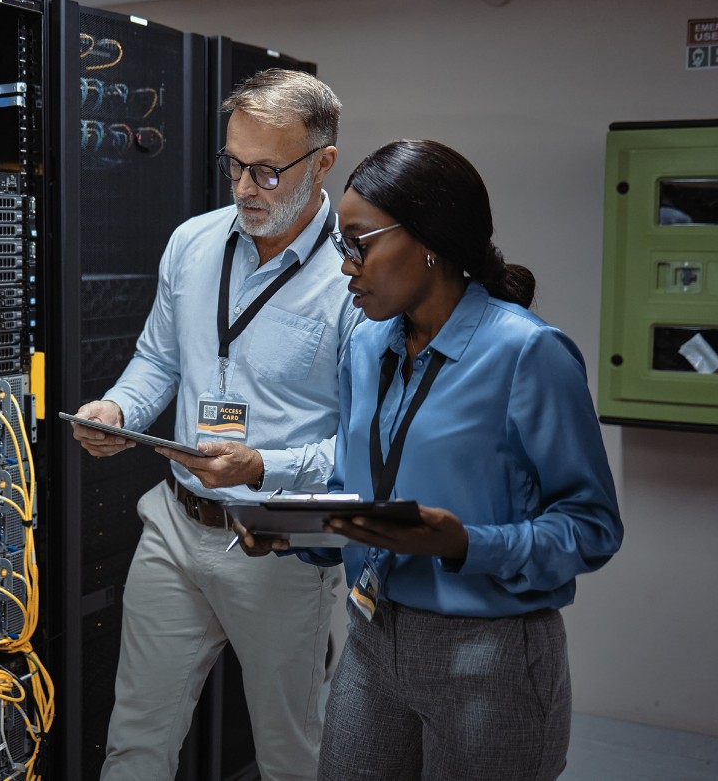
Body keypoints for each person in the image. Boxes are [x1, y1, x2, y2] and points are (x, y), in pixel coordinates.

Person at [236, 139, 624, 780]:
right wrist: (294, 530)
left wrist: (464, 543)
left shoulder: (529, 353)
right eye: (341, 246)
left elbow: (593, 527)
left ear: (429, 242)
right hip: (371, 635)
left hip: (490, 653)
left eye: (359, 244)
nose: (345, 267)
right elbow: (356, 495)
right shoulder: (366, 347)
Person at [69, 68, 363, 781]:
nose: (244, 188)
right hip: (177, 522)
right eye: (233, 165)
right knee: (134, 740)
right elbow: (156, 360)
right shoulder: (192, 242)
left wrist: (262, 466)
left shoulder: (355, 278)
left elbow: (363, 446)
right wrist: (119, 410)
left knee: (292, 754)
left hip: (282, 536)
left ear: (323, 161)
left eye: (267, 171)